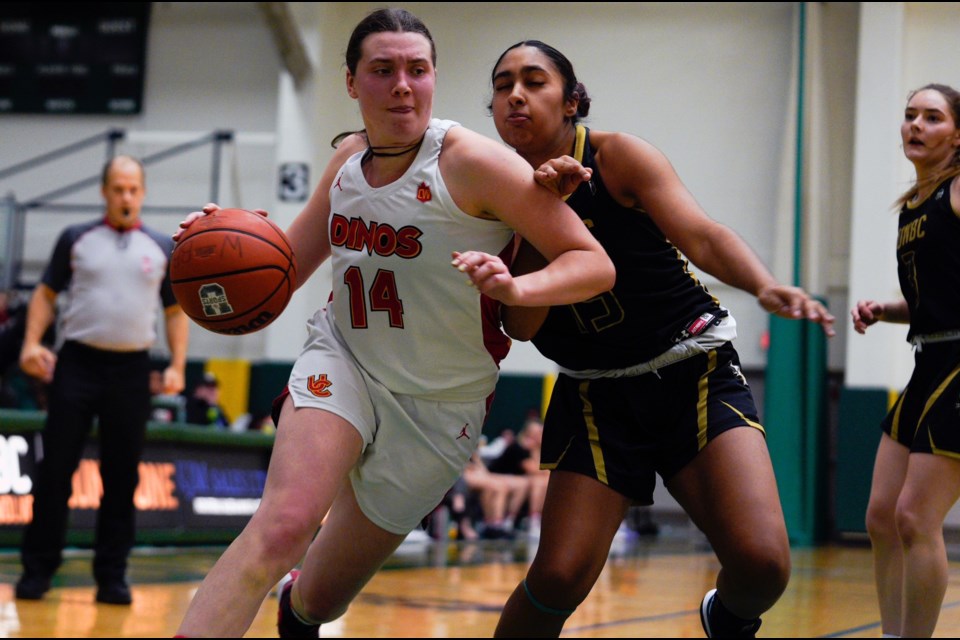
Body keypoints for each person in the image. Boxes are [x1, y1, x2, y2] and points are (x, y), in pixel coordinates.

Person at [173, 9, 614, 637]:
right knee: (284, 524)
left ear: (434, 78)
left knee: (320, 602)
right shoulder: (348, 162)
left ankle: (299, 614)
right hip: (344, 362)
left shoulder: (473, 163)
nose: (403, 84)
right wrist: (221, 250)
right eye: (383, 70)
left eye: (417, 69)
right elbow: (278, 278)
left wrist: (518, 285)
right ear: (352, 83)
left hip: (440, 406)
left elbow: (594, 264)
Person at [486, 41, 836, 638]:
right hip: (595, 397)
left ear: (572, 102)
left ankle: (724, 617)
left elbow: (701, 235)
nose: (515, 94)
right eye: (502, 84)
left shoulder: (617, 156)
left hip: (691, 369)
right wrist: (544, 210)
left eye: (534, 81)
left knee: (763, 564)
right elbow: (518, 326)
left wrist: (764, 284)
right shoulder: (491, 192)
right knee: (558, 579)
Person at [15, 155, 190, 605]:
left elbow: (175, 313)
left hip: (131, 370)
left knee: (122, 476)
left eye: (133, 189)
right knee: (55, 470)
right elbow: (46, 294)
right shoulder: (76, 239)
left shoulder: (160, 248)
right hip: (76, 364)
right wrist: (32, 343)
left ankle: (112, 575)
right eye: (118, 189)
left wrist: (177, 366)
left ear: (143, 193)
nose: (126, 196)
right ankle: (38, 570)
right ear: (104, 191)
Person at [852, 83, 960, 638]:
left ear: (958, 135)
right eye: (910, 115)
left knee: (916, 518)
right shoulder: (914, 206)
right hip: (929, 359)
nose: (916, 125)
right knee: (880, 518)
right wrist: (888, 309)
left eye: (933, 117)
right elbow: (934, 299)